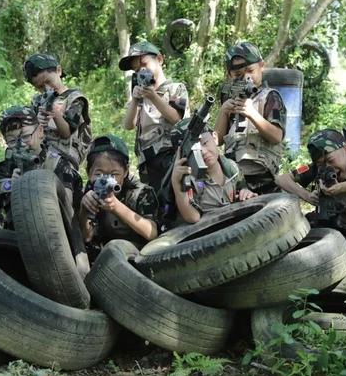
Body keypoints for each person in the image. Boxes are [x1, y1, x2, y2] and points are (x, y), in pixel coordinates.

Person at [214, 42, 286, 194]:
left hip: (262, 178)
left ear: (261, 66)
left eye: (250, 70)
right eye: (238, 75)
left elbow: (277, 136)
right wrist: (223, 112)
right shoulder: (229, 96)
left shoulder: (270, 97)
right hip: (233, 176)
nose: (246, 78)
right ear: (229, 75)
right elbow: (217, 140)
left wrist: (252, 113)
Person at [275, 128, 346, 228]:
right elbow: (282, 179)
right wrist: (308, 196)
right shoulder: (314, 167)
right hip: (328, 227)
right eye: (320, 163)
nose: (328, 167)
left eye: (331, 160)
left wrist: (341, 187)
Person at [0, 106, 83, 228]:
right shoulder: (6, 167)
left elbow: (66, 207)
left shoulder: (57, 162)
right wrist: (15, 192)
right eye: (12, 141)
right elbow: (7, 211)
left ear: (40, 131)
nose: (21, 145)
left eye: (25, 136)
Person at [121, 41, 190, 193]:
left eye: (144, 64)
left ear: (159, 59)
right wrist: (135, 99)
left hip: (171, 157)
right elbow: (128, 125)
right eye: (137, 69)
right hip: (147, 162)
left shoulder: (175, 88)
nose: (142, 70)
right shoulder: (141, 96)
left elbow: (177, 119)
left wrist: (153, 96)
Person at [80, 135, 159, 262]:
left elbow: (152, 233)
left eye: (114, 174)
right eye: (99, 174)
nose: (106, 179)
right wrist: (84, 210)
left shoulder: (139, 192)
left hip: (137, 256)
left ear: (126, 171)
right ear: (89, 173)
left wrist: (116, 207)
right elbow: (87, 237)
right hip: (103, 258)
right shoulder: (90, 193)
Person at [170, 119, 257, 224]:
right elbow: (193, 217)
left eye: (205, 143)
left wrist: (246, 194)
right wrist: (177, 185)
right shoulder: (187, 178)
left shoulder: (231, 168)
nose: (202, 151)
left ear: (214, 137)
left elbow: (241, 190)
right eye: (193, 150)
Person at [23, 53, 92, 169]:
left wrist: (55, 113)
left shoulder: (74, 99)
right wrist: (37, 122)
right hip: (41, 154)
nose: (47, 88)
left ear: (58, 71)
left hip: (66, 158)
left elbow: (66, 133)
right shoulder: (38, 101)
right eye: (40, 86)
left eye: (48, 82)